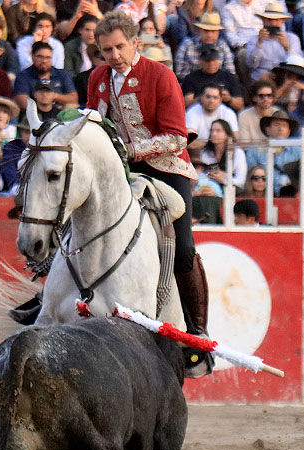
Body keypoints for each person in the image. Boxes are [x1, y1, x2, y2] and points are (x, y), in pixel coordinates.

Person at [87, 11, 212, 346]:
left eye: (118, 48)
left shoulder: (160, 74)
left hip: (168, 169)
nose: (113, 56)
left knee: (183, 250)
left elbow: (177, 138)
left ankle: (198, 330)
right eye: (106, 50)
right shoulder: (97, 77)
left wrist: (128, 151)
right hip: (124, 173)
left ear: (135, 43)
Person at [246, 110, 300, 195]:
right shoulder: (254, 151)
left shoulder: (298, 152)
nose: (280, 128)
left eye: (284, 126)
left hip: (290, 196)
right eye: (277, 124)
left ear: (289, 132)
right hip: (263, 196)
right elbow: (251, 179)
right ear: (268, 130)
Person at [13, 41, 78, 110]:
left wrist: (54, 96)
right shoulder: (23, 76)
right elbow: (23, 102)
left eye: (48, 57)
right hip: (34, 114)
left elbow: (73, 99)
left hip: (60, 113)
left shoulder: (62, 74)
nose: (44, 61)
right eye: (40, 57)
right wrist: (44, 104)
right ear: (32, 56)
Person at [246, 2, 302, 80]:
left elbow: (298, 65)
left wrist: (287, 48)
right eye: (269, 20)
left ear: (282, 21)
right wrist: (259, 44)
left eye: (276, 20)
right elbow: (251, 65)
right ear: (263, 20)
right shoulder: (254, 40)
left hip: (284, 75)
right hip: (262, 77)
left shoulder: (292, 38)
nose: (272, 23)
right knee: (263, 77)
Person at [175, 12, 235, 81]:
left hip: (218, 86)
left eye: (213, 31)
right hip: (193, 85)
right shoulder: (187, 44)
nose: (209, 35)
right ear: (199, 30)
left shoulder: (223, 46)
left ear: (218, 32)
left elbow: (231, 74)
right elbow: (180, 73)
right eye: (206, 31)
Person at [181, 45, 244, 111]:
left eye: (214, 60)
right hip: (199, 112)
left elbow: (240, 106)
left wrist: (229, 99)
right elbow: (186, 104)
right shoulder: (191, 78)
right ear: (200, 61)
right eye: (207, 61)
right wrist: (202, 98)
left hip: (224, 113)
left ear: (219, 61)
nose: (211, 64)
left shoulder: (230, 78)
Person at [200, 119, 247, 192]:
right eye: (212, 131)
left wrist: (224, 179)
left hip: (231, 189)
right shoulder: (206, 152)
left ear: (227, 134)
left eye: (218, 131)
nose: (214, 134)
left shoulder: (237, 152)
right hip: (208, 186)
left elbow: (241, 181)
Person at [186, 84, 239, 148]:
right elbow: (189, 141)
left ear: (220, 100)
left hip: (223, 154)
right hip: (198, 153)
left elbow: (235, 139)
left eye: (215, 97)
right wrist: (211, 147)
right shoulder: (192, 112)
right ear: (201, 98)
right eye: (208, 97)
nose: (211, 101)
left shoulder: (228, 113)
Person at [1, 114, 31, 196]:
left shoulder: (43, 149)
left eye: (33, 132)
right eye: (27, 132)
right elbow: (10, 173)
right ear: (21, 132)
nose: (30, 136)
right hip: (16, 189)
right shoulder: (10, 148)